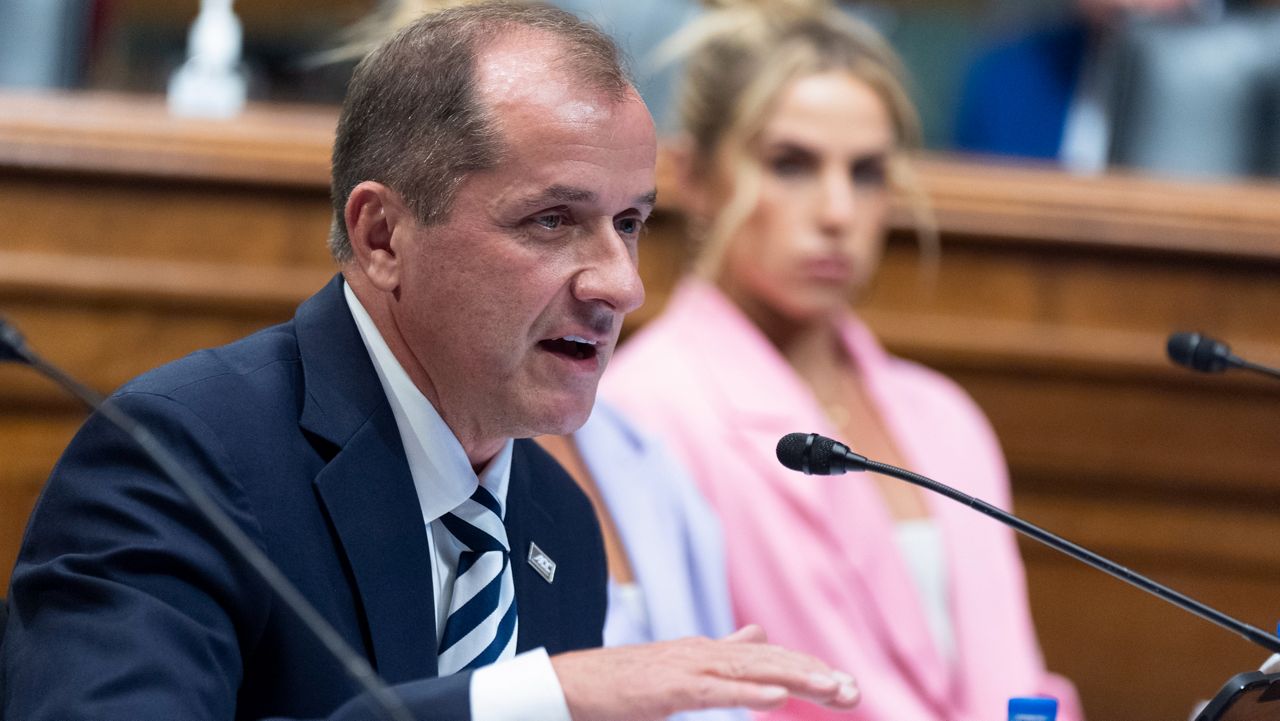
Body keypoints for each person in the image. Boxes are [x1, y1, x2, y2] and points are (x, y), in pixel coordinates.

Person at [0, 4, 862, 720]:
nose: (621, 285)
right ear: (382, 236)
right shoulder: (183, 457)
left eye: (630, 222)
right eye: (553, 220)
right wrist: (527, 697)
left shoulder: (555, 520)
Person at [602, 3, 1082, 720]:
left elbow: (1021, 682)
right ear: (695, 177)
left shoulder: (943, 414)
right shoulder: (641, 412)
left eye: (865, 173)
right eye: (790, 164)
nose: (836, 211)